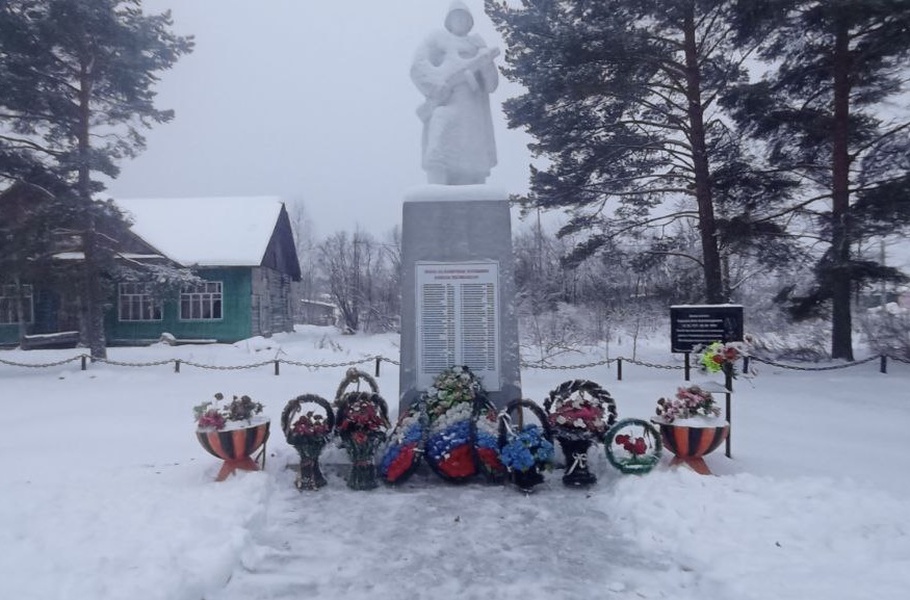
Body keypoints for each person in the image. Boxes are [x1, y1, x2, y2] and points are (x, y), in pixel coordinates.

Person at [410, 1, 499, 185]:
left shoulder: (476, 45)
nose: (460, 20)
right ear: (448, 21)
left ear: (470, 22)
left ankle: (475, 193)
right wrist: (436, 86)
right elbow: (418, 66)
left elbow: (491, 85)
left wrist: (483, 54)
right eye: (456, 16)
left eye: (464, 17)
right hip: (447, 102)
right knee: (438, 138)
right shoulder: (437, 39)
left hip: (472, 110)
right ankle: (436, 189)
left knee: (473, 159)